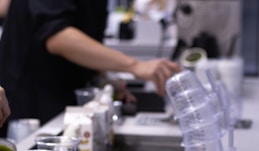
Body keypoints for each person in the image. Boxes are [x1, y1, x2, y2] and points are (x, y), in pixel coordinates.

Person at [0, 0, 180, 137]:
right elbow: (57, 36)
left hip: (63, 102)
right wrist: (135, 66)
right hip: (31, 105)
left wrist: (104, 78)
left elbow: (85, 34)